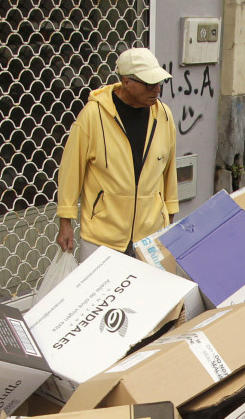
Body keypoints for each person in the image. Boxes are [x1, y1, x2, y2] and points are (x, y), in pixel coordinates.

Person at [57, 47, 179, 260]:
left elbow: (169, 171)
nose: (157, 89)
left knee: (146, 294)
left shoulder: (164, 116)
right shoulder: (92, 116)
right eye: (149, 84)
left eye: (159, 83)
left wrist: (169, 216)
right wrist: (65, 221)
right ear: (126, 82)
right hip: (102, 237)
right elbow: (70, 170)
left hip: (149, 235)